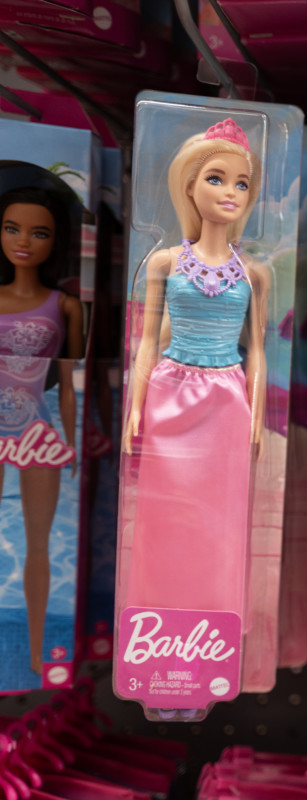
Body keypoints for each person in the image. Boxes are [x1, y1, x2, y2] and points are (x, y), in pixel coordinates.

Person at [121, 118, 269, 630]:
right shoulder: (164, 263)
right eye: (216, 178)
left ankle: (215, 623)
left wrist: (256, 414)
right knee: (163, 515)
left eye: (241, 184)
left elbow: (258, 350)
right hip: (168, 392)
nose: (230, 192)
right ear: (189, 185)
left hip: (227, 399)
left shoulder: (253, 273)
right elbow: (146, 340)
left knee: (221, 519)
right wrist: (135, 406)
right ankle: (158, 618)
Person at [0, 187, 84, 673]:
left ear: (55, 241)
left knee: (38, 544)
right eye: (12, 229)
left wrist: (71, 444)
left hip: (37, 429)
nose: (23, 241)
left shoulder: (66, 305)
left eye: (39, 232)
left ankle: (36, 654)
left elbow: (68, 386)